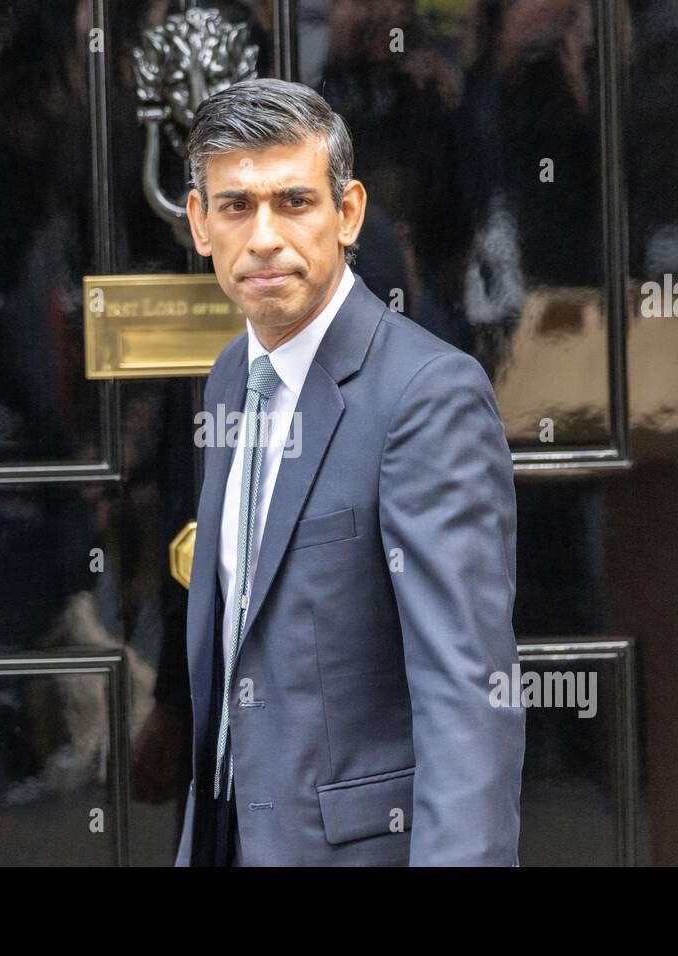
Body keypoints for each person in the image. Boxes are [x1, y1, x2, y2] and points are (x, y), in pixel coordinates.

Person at [174, 78, 524, 866]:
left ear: (350, 214)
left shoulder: (426, 396)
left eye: (294, 201)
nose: (264, 236)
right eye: (236, 206)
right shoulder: (231, 377)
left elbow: (466, 695)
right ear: (201, 224)